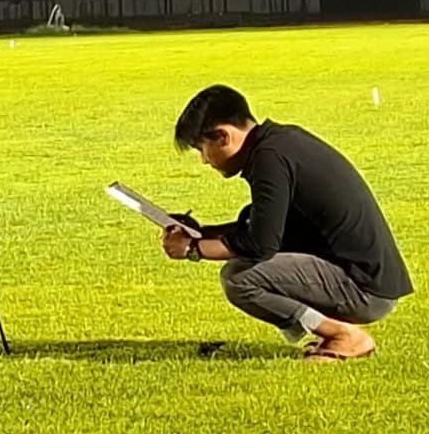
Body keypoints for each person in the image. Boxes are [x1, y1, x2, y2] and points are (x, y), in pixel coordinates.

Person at [162, 85, 413, 362]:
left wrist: (193, 249)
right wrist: (200, 232)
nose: (203, 161)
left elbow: (260, 245)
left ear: (223, 136)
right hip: (372, 279)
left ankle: (345, 337)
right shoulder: (280, 143)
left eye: (202, 148)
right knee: (241, 269)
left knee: (239, 278)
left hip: (365, 289)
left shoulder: (269, 159)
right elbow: (265, 229)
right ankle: (337, 333)